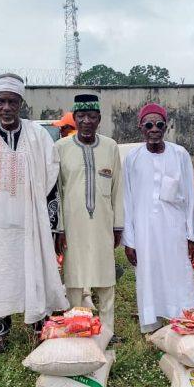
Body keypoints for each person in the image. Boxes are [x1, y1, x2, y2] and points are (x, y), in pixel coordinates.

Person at [0, 73, 68, 354]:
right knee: (0, 275)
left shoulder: (38, 136)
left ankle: (38, 329)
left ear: (21, 103)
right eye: (1, 102)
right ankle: (0, 336)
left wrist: (52, 226)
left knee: (34, 269)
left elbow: (51, 184)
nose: (6, 108)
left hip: (31, 221)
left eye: (12, 102)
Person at [122, 103, 194, 333]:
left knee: (179, 272)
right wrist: (129, 240)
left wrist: (192, 235)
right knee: (148, 273)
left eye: (159, 124)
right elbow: (127, 199)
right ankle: (152, 321)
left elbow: (191, 195)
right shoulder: (133, 158)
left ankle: (183, 317)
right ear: (141, 128)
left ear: (166, 126)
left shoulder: (180, 154)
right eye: (148, 125)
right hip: (144, 230)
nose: (154, 129)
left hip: (175, 229)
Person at [54, 94, 123, 332]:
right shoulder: (60, 148)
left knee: (105, 274)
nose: (86, 121)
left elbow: (117, 188)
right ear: (74, 118)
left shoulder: (110, 146)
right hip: (72, 224)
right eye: (81, 116)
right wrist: (59, 228)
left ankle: (107, 329)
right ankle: (77, 325)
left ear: (99, 119)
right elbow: (57, 192)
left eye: (91, 116)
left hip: (103, 222)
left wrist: (118, 225)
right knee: (74, 275)